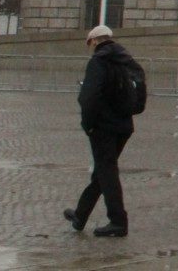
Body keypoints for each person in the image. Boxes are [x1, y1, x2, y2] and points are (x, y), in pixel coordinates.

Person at [64, 25, 134, 238]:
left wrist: (88, 124)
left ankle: (118, 220)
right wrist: (131, 110)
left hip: (103, 126)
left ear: (95, 41)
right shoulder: (126, 60)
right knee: (103, 172)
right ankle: (80, 215)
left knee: (107, 172)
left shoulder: (98, 62)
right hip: (124, 125)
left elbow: (89, 97)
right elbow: (139, 88)